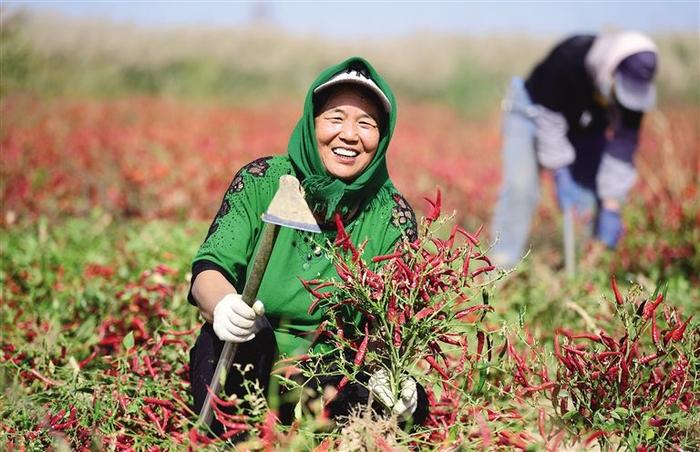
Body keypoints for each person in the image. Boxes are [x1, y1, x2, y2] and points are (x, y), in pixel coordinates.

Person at [187, 56, 428, 434]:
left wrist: (391, 373)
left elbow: (392, 322)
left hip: (330, 369)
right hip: (252, 351)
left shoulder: (392, 215)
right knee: (241, 349)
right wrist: (223, 307)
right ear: (311, 122)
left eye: (366, 124)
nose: (349, 135)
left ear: (382, 137)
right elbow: (209, 268)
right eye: (335, 118)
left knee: (407, 405)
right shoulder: (262, 181)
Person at [489, 31, 659, 269]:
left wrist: (612, 205)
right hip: (532, 112)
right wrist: (560, 171)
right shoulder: (570, 58)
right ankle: (500, 266)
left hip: (584, 128)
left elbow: (621, 149)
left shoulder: (633, 100)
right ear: (610, 71)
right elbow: (549, 121)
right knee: (521, 187)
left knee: (587, 200)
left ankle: (583, 271)